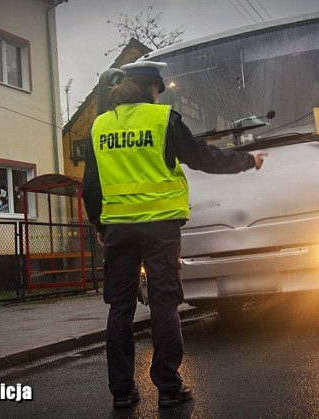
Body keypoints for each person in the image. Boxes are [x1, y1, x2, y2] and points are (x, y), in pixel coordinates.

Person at [82, 60, 267, 409]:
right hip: (161, 228)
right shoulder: (163, 120)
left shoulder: (100, 126)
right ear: (152, 89)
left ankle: (121, 392)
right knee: (165, 304)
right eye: (158, 89)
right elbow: (203, 158)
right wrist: (247, 160)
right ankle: (168, 388)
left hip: (119, 230)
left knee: (119, 309)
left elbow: (90, 186)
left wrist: (100, 226)